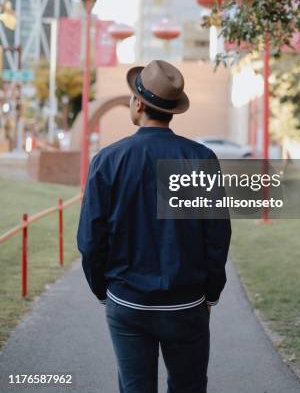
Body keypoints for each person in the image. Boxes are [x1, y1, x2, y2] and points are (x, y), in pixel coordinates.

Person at [77, 60, 231, 393]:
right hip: (186, 303)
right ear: (172, 109)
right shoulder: (200, 158)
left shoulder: (107, 159)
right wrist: (212, 293)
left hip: (127, 301)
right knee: (189, 387)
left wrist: (103, 290)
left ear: (139, 104)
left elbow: (91, 240)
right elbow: (217, 238)